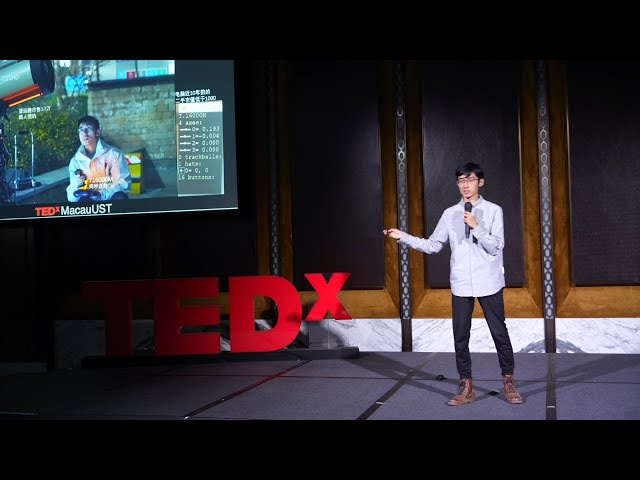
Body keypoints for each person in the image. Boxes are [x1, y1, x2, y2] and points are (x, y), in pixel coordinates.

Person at [383, 162, 523, 406]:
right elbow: (433, 245)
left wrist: (476, 227)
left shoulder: (493, 211)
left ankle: (509, 380)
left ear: (481, 182)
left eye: (470, 180)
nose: (465, 185)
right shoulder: (450, 214)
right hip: (461, 283)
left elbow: (496, 247)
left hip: (489, 281)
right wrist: (403, 237)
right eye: (461, 181)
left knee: (499, 332)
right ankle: (466, 385)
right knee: (460, 335)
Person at [66, 115, 131, 202]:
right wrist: (76, 184)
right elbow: (72, 198)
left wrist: (100, 195)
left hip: (110, 200)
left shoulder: (114, 154)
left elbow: (124, 184)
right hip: (90, 203)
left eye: (88, 128)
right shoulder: (75, 161)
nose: (84, 132)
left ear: (98, 132)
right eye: (81, 130)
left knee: (120, 197)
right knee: (82, 200)